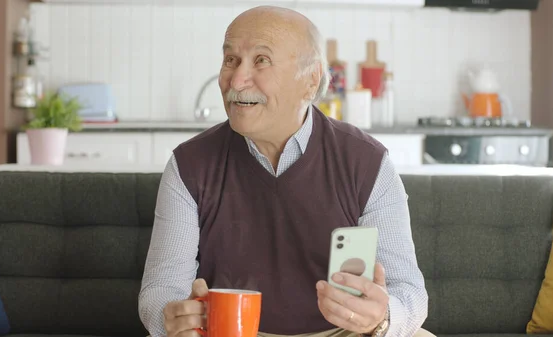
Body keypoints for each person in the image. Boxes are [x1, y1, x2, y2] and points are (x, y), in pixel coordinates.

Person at [139, 5, 429, 337]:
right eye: (230, 60)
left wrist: (383, 317)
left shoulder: (368, 162)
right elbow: (161, 288)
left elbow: (409, 291)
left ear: (310, 81)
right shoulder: (189, 165)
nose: (236, 79)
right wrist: (172, 318)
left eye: (261, 61)